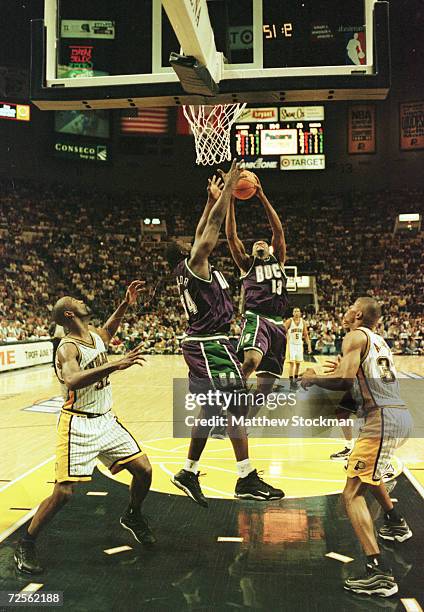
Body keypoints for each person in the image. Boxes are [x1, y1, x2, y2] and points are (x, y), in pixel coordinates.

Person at [14, 281, 155, 576]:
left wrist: (125, 304)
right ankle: (26, 543)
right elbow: (73, 380)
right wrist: (115, 365)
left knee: (144, 470)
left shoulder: (93, 337)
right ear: (68, 314)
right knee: (64, 492)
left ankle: (132, 515)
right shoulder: (67, 347)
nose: (81, 299)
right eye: (75, 300)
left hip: (106, 419)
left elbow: (108, 332)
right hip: (78, 423)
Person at [166, 162, 284, 506]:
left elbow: (205, 224)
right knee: (233, 406)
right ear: (186, 251)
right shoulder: (195, 262)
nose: (195, 237)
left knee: (212, 409)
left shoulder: (194, 264)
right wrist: (230, 186)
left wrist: (210, 199)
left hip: (211, 342)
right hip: (209, 343)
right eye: (188, 240)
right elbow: (214, 227)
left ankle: (188, 471)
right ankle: (246, 476)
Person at [301, 297, 413, 597]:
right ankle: (395, 522)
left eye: (350, 306)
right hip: (397, 414)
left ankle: (379, 574)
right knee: (366, 473)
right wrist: (341, 372)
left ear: (358, 314)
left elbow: (343, 380)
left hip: (382, 419)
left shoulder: (354, 335)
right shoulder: (378, 341)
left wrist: (315, 378)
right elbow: (356, 380)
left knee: (351, 494)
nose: (346, 309)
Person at [225, 178, 288, 399]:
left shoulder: (278, 260)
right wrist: (231, 199)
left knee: (265, 391)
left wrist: (261, 196)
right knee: (251, 360)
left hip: (278, 325)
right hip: (257, 318)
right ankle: (226, 403)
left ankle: (241, 423)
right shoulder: (246, 264)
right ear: (251, 252)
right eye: (255, 244)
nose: (259, 243)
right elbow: (232, 236)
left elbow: (278, 231)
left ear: (270, 249)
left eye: (263, 242)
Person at [284, 307, 312, 390]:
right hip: (291, 344)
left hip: (299, 344)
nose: (296, 313)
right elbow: (282, 330)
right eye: (295, 311)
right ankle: (291, 382)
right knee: (292, 364)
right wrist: (286, 337)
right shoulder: (289, 321)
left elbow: (306, 335)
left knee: (298, 364)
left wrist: (309, 346)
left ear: (300, 313)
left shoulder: (303, 322)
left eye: (298, 311)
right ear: (292, 313)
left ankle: (295, 381)